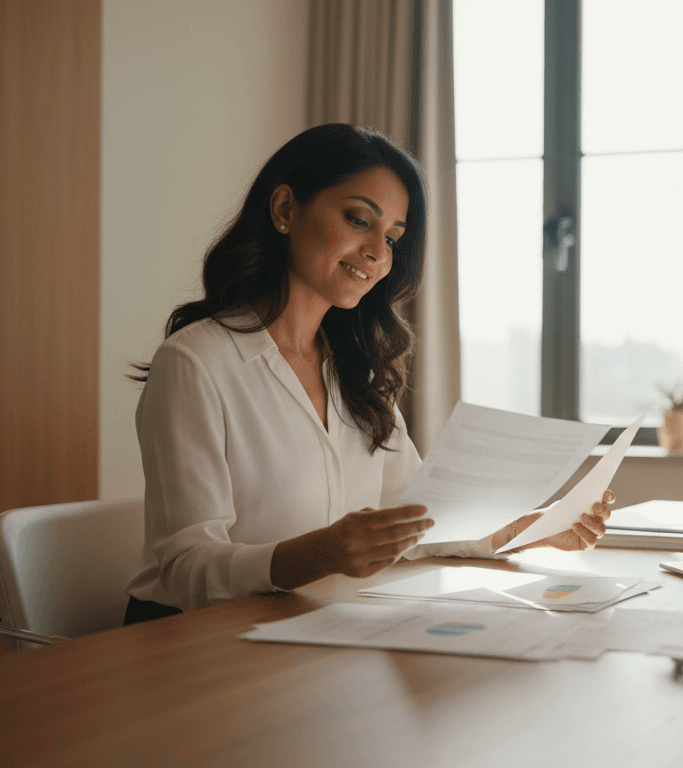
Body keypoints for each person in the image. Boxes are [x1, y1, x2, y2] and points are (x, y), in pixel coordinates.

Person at [124, 124, 612, 624]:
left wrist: (528, 527)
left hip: (310, 628)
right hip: (192, 643)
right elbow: (186, 568)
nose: (379, 253)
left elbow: (411, 524)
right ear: (286, 210)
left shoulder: (356, 370)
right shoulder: (195, 363)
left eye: (393, 237)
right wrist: (323, 553)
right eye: (359, 219)